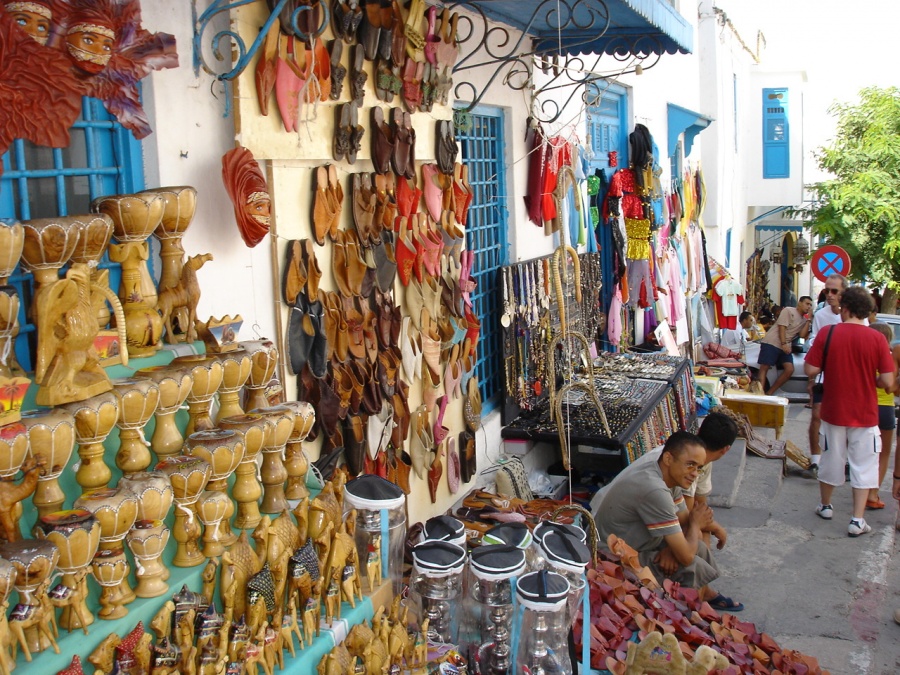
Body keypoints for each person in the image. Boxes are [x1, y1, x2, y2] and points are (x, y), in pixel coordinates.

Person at [595, 431, 743, 611]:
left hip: (639, 545)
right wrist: (696, 525)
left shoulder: (667, 478)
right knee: (691, 566)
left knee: (699, 548)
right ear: (668, 458)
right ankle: (690, 620)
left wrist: (676, 547)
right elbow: (687, 553)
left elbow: (684, 520)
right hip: (612, 558)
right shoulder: (655, 490)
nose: (694, 473)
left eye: (698, 468)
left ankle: (701, 602)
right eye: (690, 465)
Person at [804, 286, 895, 537]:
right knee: (864, 464)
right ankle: (857, 520)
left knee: (832, 457)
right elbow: (888, 381)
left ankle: (825, 505)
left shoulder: (828, 333)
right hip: (865, 412)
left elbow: (811, 369)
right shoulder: (877, 338)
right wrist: (870, 379)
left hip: (834, 409)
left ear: (844, 308)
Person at [805, 274, 849, 475]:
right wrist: (811, 379)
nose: (829, 295)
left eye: (834, 291)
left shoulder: (856, 315)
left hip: (847, 376)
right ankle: (816, 459)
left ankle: (843, 461)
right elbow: (813, 341)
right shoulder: (821, 315)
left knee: (845, 420)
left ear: (844, 293)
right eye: (826, 291)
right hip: (824, 374)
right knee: (816, 415)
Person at [756, 296, 812, 396]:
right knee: (764, 367)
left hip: (785, 346)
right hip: (772, 342)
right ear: (799, 303)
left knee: (789, 369)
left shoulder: (804, 320)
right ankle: (759, 395)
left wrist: (809, 320)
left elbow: (802, 335)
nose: (809, 307)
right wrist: (783, 343)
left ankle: (769, 393)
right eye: (807, 304)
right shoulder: (788, 310)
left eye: (810, 305)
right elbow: (782, 327)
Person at [868, 322, 896, 509]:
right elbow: (891, 386)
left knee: (866, 453)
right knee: (883, 453)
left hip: (866, 407)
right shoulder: (890, 357)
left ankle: (862, 488)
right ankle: (873, 494)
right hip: (885, 406)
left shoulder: (864, 356)